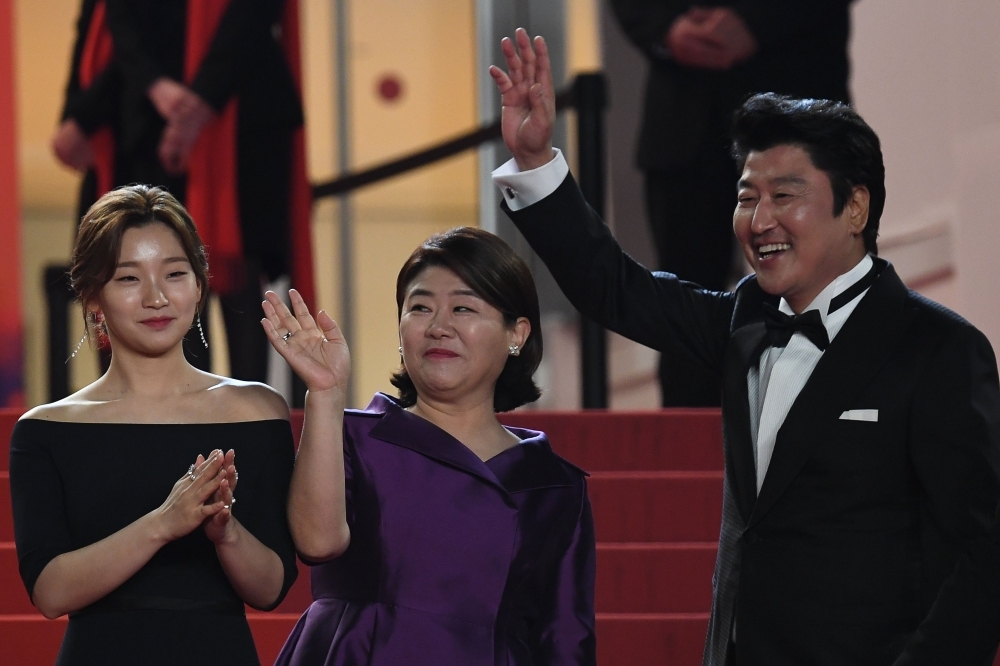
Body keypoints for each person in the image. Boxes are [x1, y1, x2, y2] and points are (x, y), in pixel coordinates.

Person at [489, 29, 1000, 665]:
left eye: (784, 196)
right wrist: (538, 163)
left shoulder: (941, 350)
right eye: (746, 197)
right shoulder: (745, 323)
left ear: (856, 208)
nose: (759, 223)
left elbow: (983, 560)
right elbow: (615, 288)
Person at [262, 227, 596, 665]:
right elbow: (316, 543)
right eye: (420, 308)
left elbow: (565, 639)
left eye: (463, 308)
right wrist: (325, 394)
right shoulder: (354, 437)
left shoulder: (552, 484)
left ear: (516, 334)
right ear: (401, 331)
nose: (439, 327)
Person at [9, 185, 298, 665]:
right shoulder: (47, 431)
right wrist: (163, 523)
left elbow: (271, 590)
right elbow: (50, 593)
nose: (157, 297)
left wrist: (226, 533)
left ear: (199, 287)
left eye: (175, 274)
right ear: (93, 297)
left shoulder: (256, 410)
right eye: (128, 278)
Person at [52, 0, 315, 382]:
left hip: (242, 127)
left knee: (239, 279)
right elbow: (112, 25)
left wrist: (196, 105)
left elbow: (249, 19)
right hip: (140, 129)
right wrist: (83, 113)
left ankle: (251, 424)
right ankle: (155, 420)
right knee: (138, 265)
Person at [608, 0, 855, 406]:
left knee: (814, 295)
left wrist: (756, 19)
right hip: (685, 121)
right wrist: (667, 29)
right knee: (682, 307)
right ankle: (689, 458)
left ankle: (828, 449)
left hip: (800, 105)